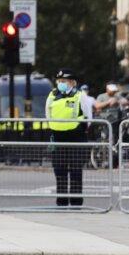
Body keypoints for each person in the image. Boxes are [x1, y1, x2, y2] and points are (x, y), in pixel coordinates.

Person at [46, 69, 90, 207]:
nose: (60, 83)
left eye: (63, 81)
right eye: (58, 81)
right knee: (59, 170)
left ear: (72, 82)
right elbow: (48, 114)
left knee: (76, 170)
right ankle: (62, 201)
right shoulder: (52, 95)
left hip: (76, 137)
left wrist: (80, 129)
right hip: (57, 137)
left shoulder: (79, 95)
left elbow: (88, 117)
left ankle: (76, 202)